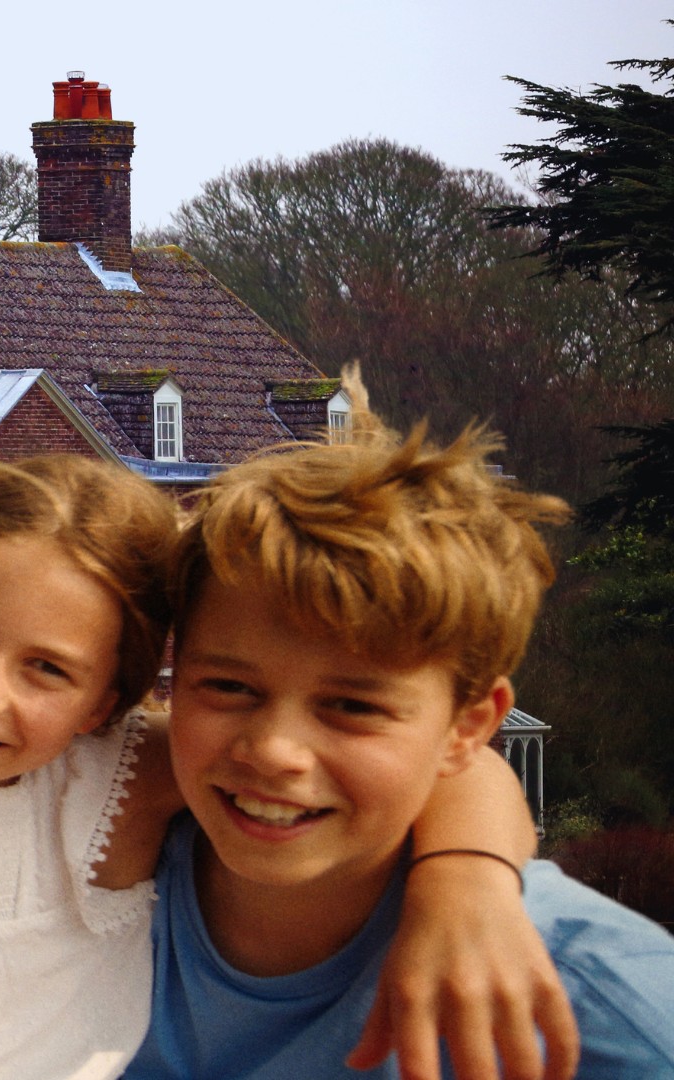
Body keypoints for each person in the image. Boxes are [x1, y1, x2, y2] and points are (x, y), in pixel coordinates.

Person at [0, 456, 567, 1080]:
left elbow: (456, 764)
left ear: (107, 701)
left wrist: (467, 886)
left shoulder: (112, 785)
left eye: (48, 670)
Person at [124, 378, 674, 1078]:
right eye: (228, 686)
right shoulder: (79, 882)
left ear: (468, 727)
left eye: (352, 707)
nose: (273, 751)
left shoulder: (609, 1009)